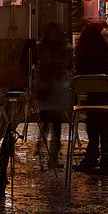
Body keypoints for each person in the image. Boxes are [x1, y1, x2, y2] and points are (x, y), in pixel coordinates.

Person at [74, 23, 108, 174]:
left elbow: (78, 74)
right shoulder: (102, 53)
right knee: (105, 126)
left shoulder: (83, 55)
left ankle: (91, 157)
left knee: (92, 122)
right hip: (103, 99)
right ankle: (106, 161)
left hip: (89, 99)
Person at [35, 21, 72, 169]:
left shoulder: (60, 49)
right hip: (48, 89)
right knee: (46, 122)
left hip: (56, 89)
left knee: (55, 123)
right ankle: (43, 151)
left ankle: (50, 155)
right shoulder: (45, 49)